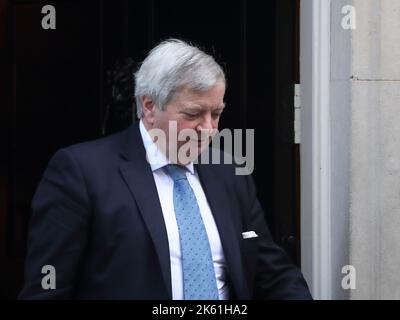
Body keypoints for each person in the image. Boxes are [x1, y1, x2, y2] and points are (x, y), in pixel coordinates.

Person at [19, 39, 312, 299]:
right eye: (193, 114)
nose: (209, 128)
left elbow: (272, 272)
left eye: (217, 113)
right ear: (148, 106)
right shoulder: (81, 172)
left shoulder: (229, 171)